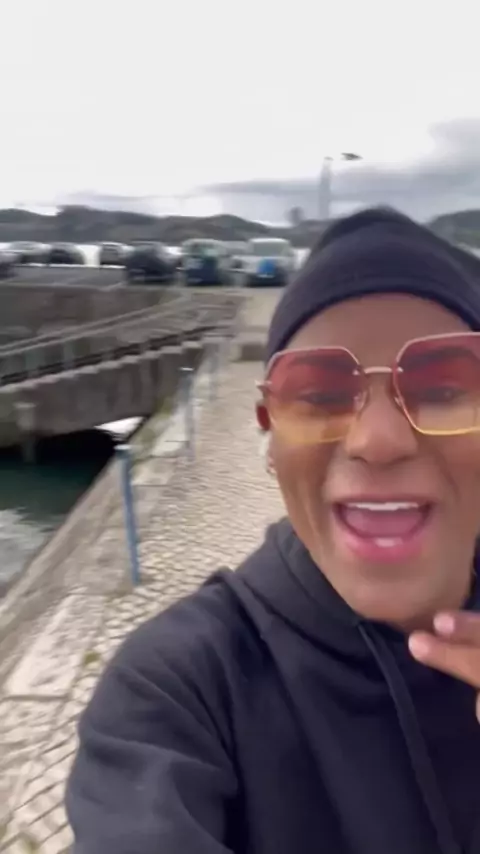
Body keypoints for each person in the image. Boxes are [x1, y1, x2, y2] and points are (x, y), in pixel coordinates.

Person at [66, 208, 480, 854]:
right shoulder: (180, 689)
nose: (377, 440)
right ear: (269, 431)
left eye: (444, 388)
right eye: (319, 395)